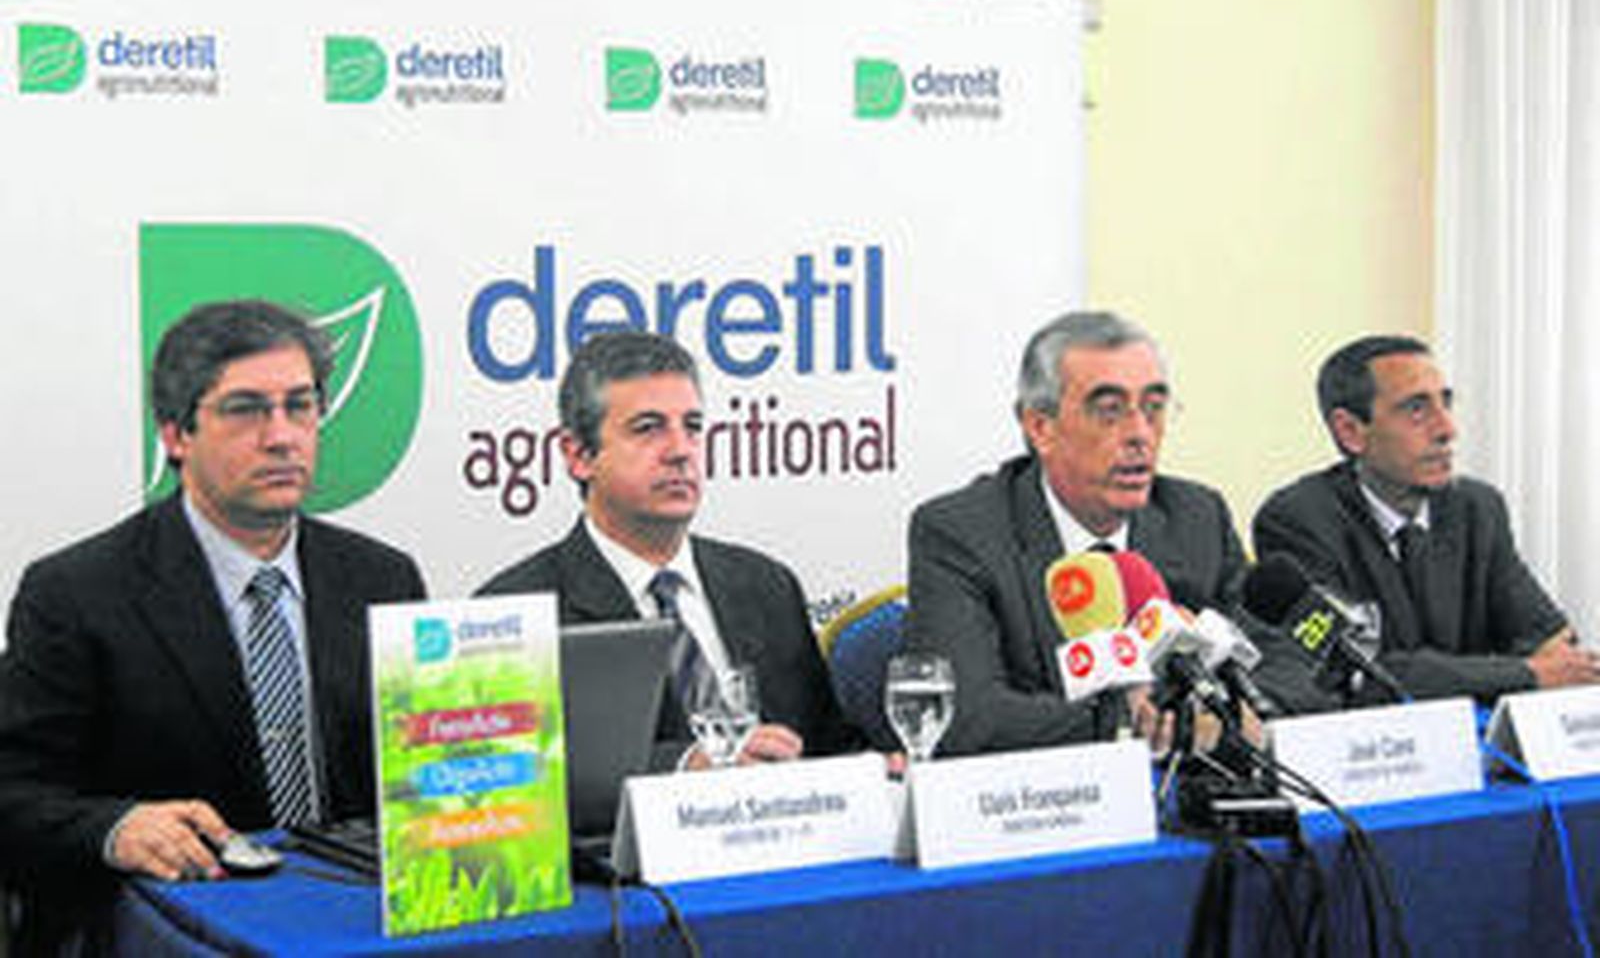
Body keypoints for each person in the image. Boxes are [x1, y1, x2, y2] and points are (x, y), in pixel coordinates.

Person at [0, 299, 426, 953]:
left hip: (354, 928)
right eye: (246, 408)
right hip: (175, 932)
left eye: (300, 405)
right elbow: (14, 796)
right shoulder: (75, 593)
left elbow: (419, 775)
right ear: (175, 434)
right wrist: (115, 827)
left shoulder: (383, 578)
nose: (282, 435)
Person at [906, 311, 1319, 758]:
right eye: (1110, 411)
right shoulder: (962, 533)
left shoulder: (1195, 517)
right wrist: (1134, 720)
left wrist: (1231, 714)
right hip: (1051, 807)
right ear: (1040, 427)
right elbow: (965, 717)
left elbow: (1293, 668)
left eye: (1154, 408)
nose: (1141, 435)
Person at [477, 331, 858, 769]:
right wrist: (684, 767)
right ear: (578, 454)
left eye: (692, 428)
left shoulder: (766, 585)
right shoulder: (513, 614)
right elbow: (515, 786)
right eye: (648, 429)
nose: (680, 451)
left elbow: (830, 747)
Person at [1253, 334, 1600, 704]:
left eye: (1445, 403)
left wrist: (1529, 668)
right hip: (1380, 751)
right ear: (1351, 431)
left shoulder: (1477, 508)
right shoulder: (1299, 521)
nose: (1447, 430)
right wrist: (1523, 672)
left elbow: (1551, 644)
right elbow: (1353, 673)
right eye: (1416, 409)